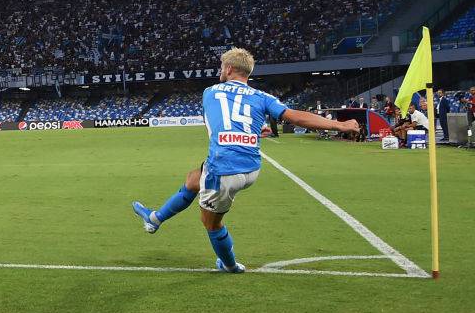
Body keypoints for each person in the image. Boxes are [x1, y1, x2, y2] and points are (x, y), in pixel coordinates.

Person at [131, 48, 360, 273]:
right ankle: (155, 219)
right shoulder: (263, 97)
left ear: (229, 69)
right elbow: (295, 117)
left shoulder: (210, 92)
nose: (220, 71)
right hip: (251, 167)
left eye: (222, 67)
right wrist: (340, 124)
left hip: (224, 169)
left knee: (211, 223)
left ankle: (230, 265)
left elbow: (221, 118)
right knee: (193, 179)